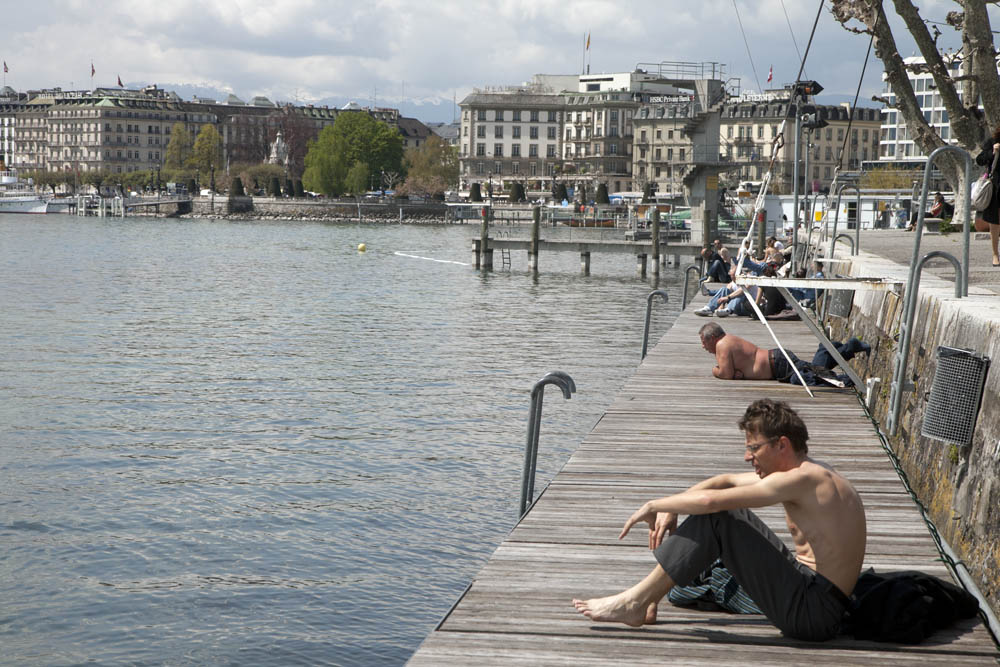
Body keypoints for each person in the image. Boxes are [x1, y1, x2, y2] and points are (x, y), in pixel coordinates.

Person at [572, 399, 867, 641]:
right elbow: (724, 481)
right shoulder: (814, 472)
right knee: (719, 530)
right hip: (817, 597)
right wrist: (675, 506)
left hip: (813, 613)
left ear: (782, 445)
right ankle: (648, 600)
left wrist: (654, 504)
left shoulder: (802, 479)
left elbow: (710, 502)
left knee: (721, 517)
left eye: (754, 448)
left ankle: (635, 602)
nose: (747, 457)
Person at [698, 323, 869, 385]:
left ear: (712, 338)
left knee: (809, 378)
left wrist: (715, 370)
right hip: (777, 362)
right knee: (813, 369)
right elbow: (732, 372)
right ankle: (837, 349)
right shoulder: (727, 340)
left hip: (778, 365)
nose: (703, 346)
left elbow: (726, 374)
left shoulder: (722, 344)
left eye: (704, 342)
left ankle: (848, 379)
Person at [975, 128, 1000, 267]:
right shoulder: (993, 141)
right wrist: (993, 152)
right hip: (996, 187)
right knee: (995, 222)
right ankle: (995, 254)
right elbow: (979, 160)